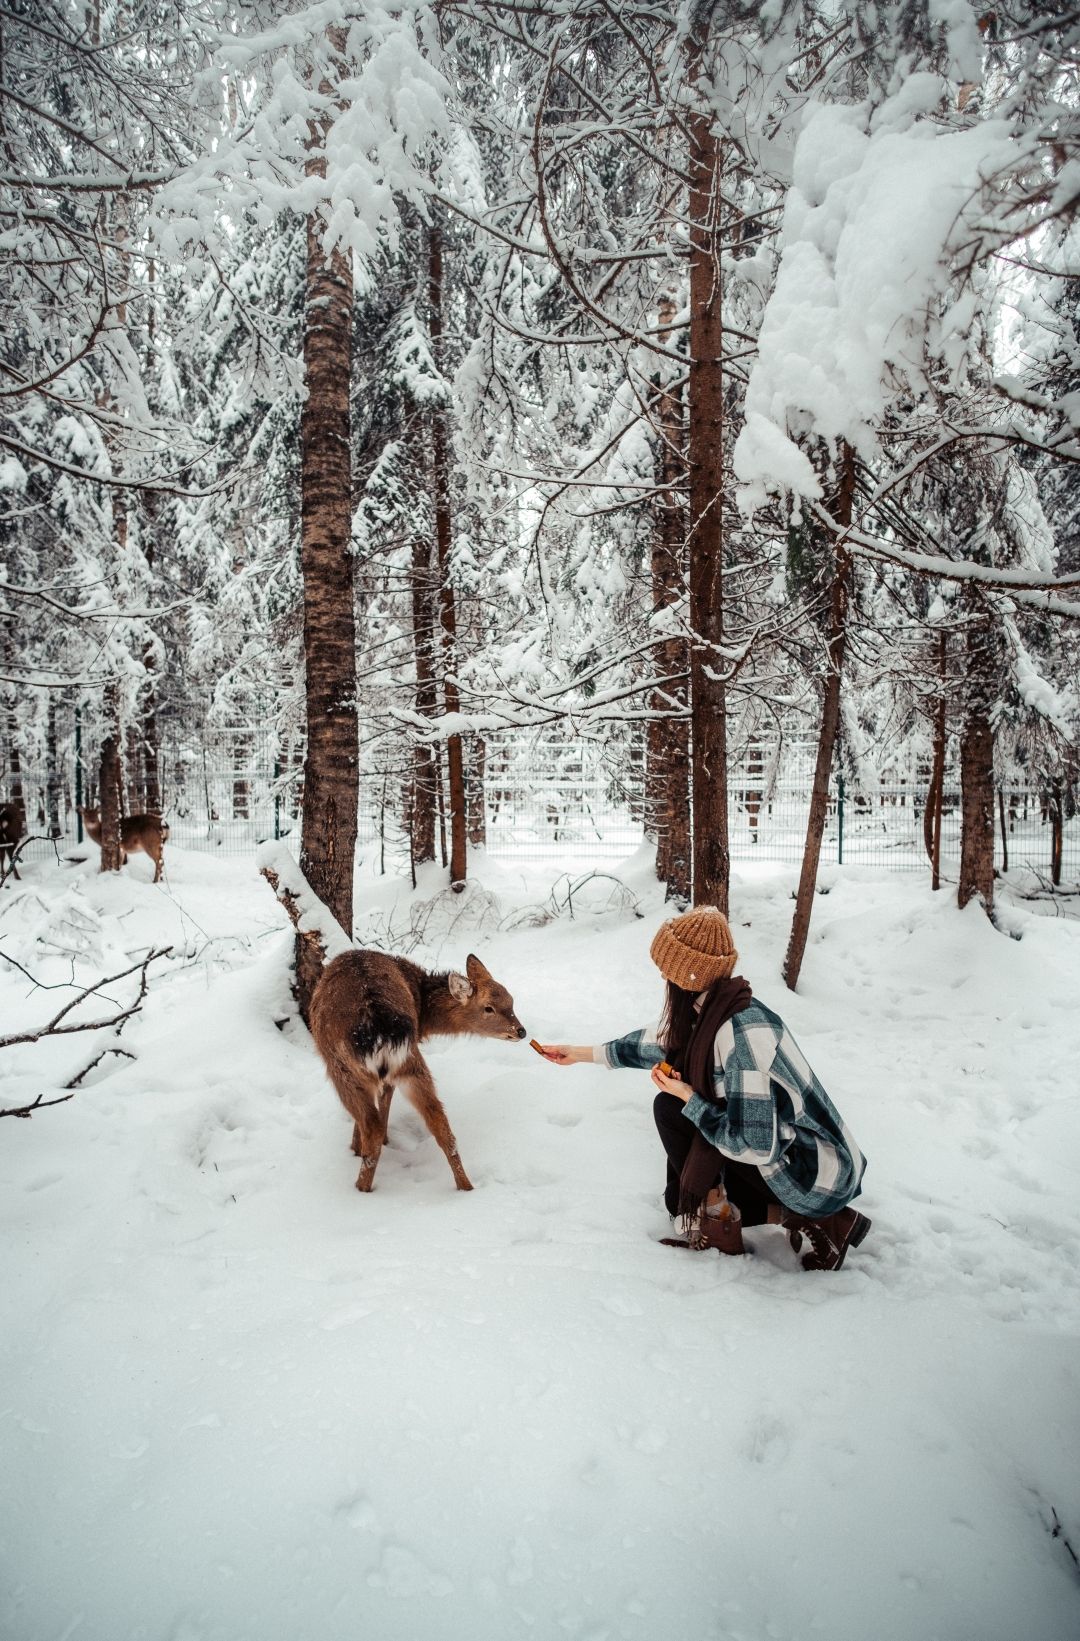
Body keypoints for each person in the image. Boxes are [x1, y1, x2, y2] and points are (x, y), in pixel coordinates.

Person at [539, 905, 870, 1271]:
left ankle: (800, 1218)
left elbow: (755, 1144)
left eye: (668, 968)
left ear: (688, 975)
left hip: (813, 1173)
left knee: (677, 1117)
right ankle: (789, 1218)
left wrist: (691, 1098)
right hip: (791, 1151)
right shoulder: (716, 1008)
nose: (662, 974)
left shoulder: (741, 1034)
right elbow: (661, 1044)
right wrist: (581, 1053)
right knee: (674, 1156)